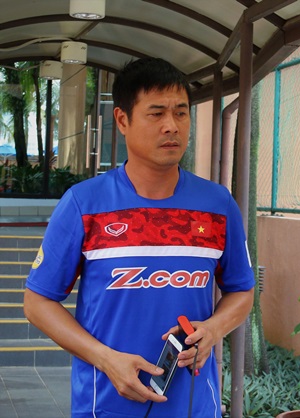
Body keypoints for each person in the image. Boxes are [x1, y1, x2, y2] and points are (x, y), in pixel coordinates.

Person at [23, 57, 255, 418]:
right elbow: (37, 302)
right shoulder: (84, 204)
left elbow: (242, 290)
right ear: (122, 120)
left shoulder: (218, 205)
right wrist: (106, 359)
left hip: (195, 406)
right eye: (156, 113)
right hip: (105, 406)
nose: (171, 126)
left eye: (181, 113)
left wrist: (213, 329)